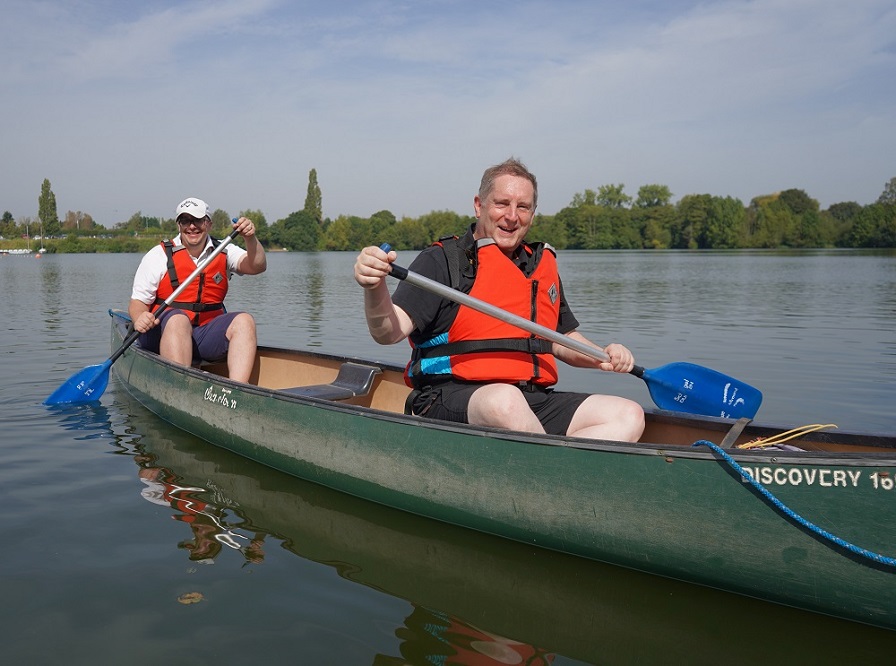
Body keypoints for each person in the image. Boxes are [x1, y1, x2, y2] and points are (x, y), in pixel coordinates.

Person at [353, 158, 645, 442]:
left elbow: (562, 339)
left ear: (533, 212)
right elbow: (387, 332)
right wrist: (374, 285)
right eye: (502, 203)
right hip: (451, 396)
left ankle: (553, 474)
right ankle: (558, 477)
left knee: (628, 414)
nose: (512, 216)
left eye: (523, 207)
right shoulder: (443, 260)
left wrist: (603, 356)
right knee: (505, 402)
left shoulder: (539, 267)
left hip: (531, 399)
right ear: (479, 205)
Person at [129, 197, 267, 383]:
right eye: (185, 221)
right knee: (178, 320)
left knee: (245, 321)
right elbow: (137, 303)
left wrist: (250, 239)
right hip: (162, 333)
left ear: (208, 224)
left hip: (202, 337)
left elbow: (257, 266)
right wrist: (139, 317)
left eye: (198, 220)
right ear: (179, 225)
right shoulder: (158, 255)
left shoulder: (224, 250)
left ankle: (236, 391)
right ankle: (179, 388)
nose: (191, 226)